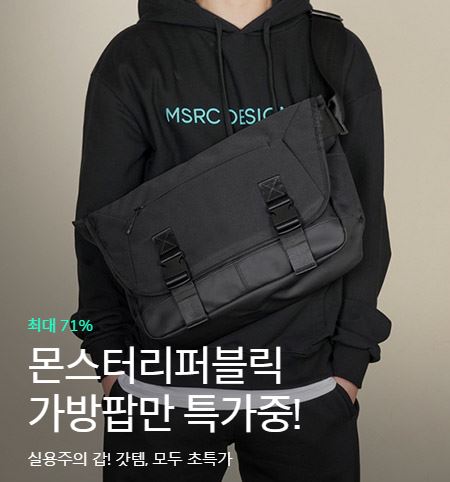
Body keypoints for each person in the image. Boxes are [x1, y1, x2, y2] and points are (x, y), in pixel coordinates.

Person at [71, 0, 392, 480]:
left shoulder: (331, 48)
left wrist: (349, 363)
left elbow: (367, 211)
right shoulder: (134, 55)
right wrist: (109, 360)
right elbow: (99, 222)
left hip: (305, 385)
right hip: (160, 388)